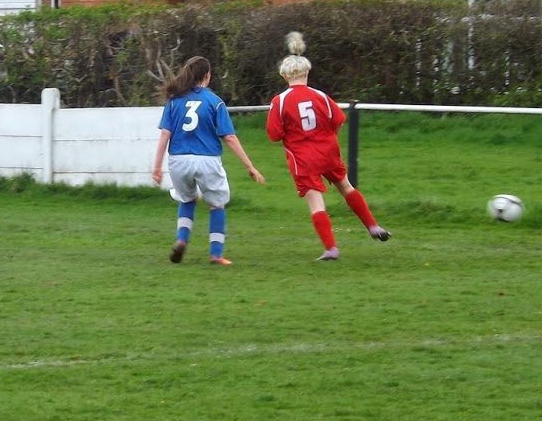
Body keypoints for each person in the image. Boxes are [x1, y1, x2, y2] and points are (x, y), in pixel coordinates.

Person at [265, 31, 390, 261]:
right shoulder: (321, 96)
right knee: (346, 186)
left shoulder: (280, 101)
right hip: (328, 151)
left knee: (316, 202)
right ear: (307, 72)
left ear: (284, 76)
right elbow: (338, 121)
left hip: (303, 157)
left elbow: (274, 135)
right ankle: (372, 226)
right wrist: (327, 138)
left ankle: (331, 248)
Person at [152, 56, 265, 265]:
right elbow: (229, 137)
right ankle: (216, 254)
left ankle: (181, 240)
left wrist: (157, 168)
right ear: (207, 76)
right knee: (217, 204)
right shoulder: (214, 101)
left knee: (186, 199)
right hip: (207, 160)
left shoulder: (174, 101)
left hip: (178, 160)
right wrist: (250, 166)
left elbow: (164, 135)